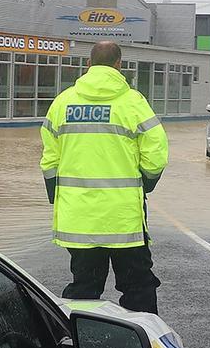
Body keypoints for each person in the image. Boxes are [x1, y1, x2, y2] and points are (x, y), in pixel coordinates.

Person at [40, 41, 168, 313]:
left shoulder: (63, 103)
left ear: (88, 65)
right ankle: (146, 346)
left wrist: (57, 195)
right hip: (124, 220)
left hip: (79, 219)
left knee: (83, 289)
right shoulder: (134, 103)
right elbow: (156, 154)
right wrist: (145, 183)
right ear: (118, 65)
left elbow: (49, 161)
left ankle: (78, 345)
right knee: (138, 289)